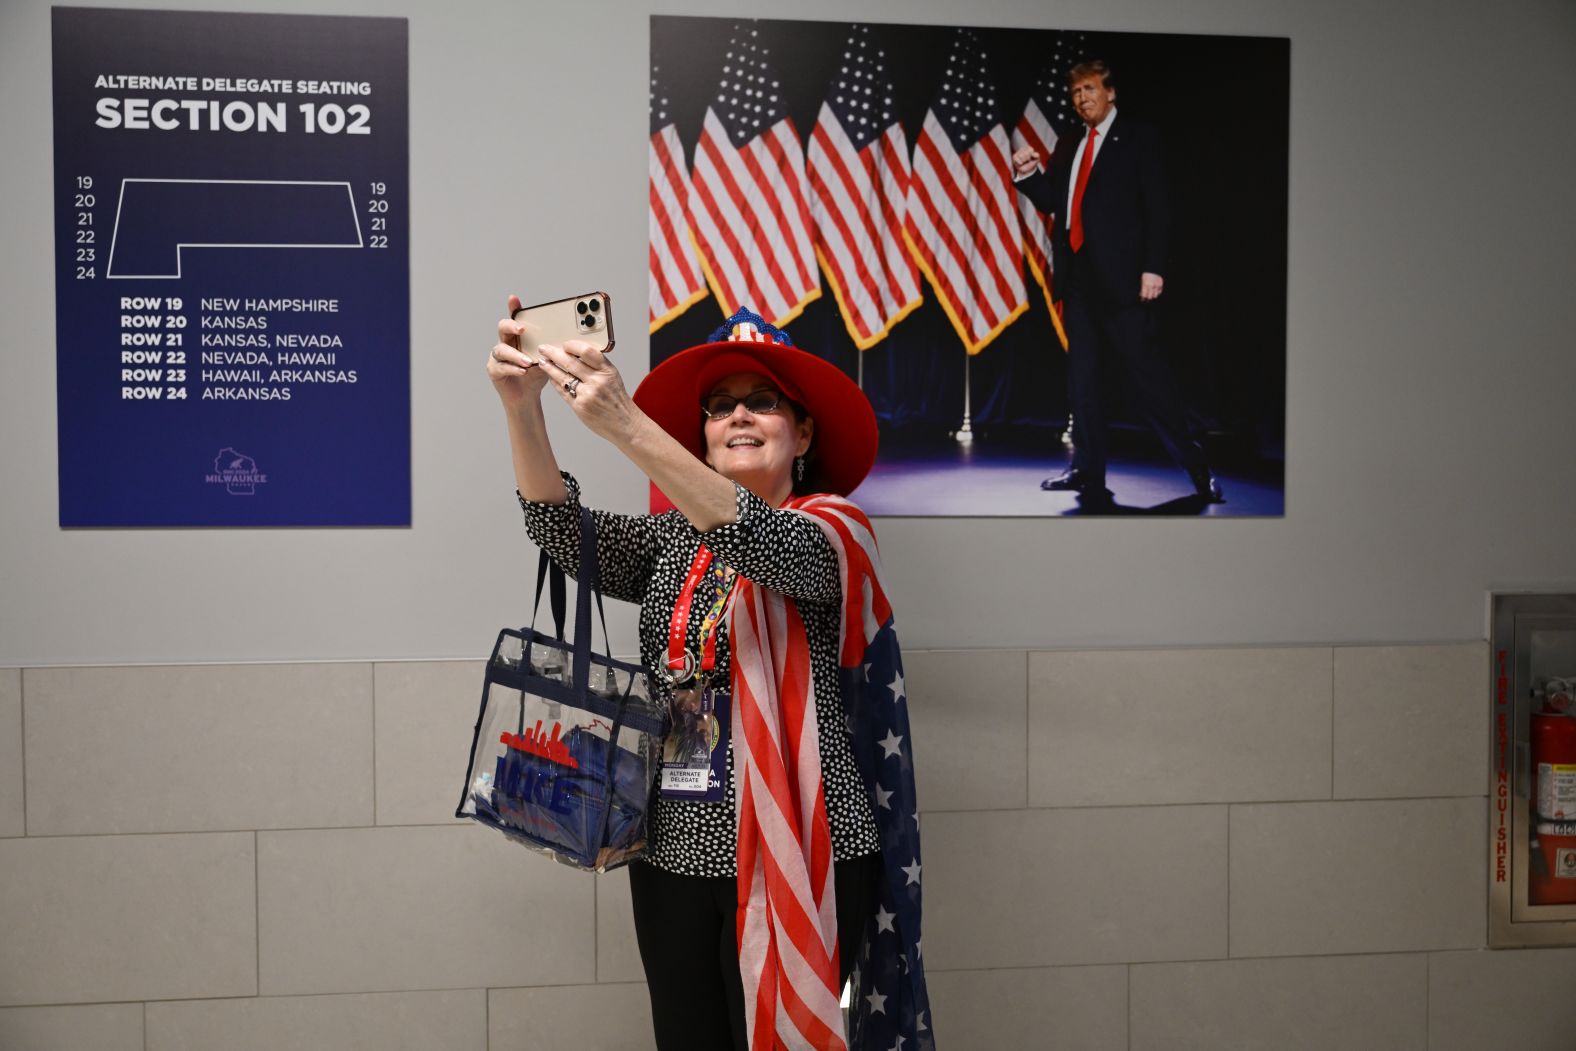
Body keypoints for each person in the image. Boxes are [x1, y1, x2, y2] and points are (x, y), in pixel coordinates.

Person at [487, 302, 932, 1051]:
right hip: (670, 848)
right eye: (720, 406)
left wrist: (627, 425)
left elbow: (760, 542)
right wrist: (523, 410)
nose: (739, 417)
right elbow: (564, 533)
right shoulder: (674, 541)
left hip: (804, 847)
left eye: (762, 403)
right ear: (702, 434)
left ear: (804, 433)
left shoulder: (832, 530)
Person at [1012, 58, 1224, 504]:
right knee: (1083, 383)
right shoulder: (1070, 140)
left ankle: (1198, 467)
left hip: (1125, 282)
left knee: (1149, 381)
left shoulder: (1139, 138)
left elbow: (1158, 208)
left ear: (1110, 93)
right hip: (1079, 281)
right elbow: (1055, 201)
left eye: (1089, 89)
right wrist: (1029, 174)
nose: (1082, 98)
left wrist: (1153, 267)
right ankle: (1087, 472)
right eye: (1075, 93)